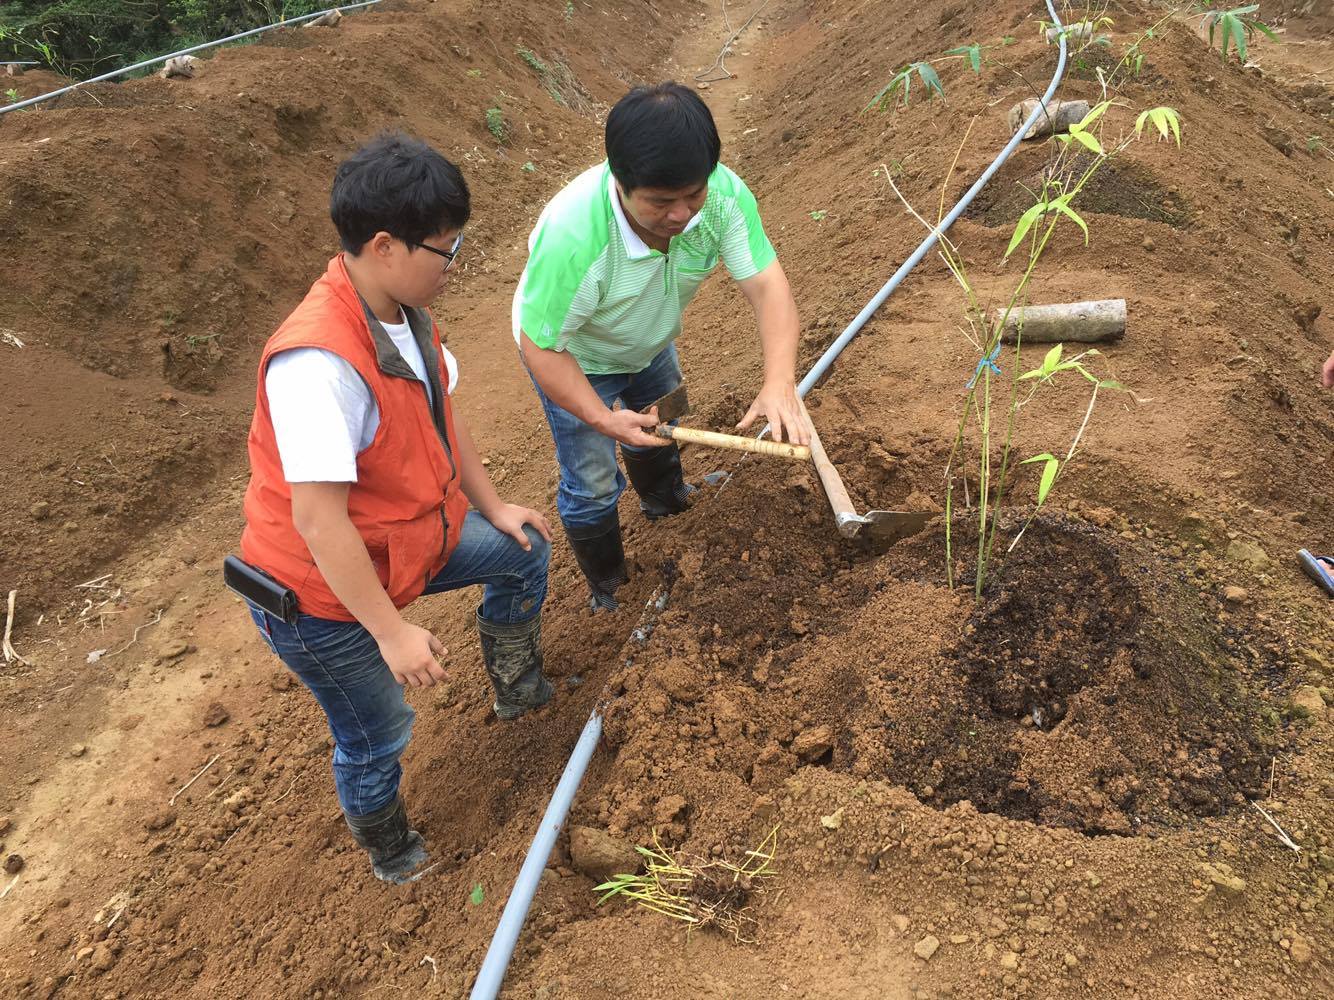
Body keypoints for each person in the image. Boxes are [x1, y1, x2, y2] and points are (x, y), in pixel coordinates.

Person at [235, 133, 553, 884]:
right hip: (321, 598)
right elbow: (318, 522)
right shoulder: (318, 364)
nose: (453, 263)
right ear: (384, 246)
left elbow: (446, 413)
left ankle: (519, 692)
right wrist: (392, 633)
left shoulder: (405, 313)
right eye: (445, 249)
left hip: (402, 544)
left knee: (523, 553)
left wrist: (495, 505)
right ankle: (392, 852)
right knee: (378, 729)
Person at [514, 81, 810, 610]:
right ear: (620, 183)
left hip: (648, 339)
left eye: (692, 195)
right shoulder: (574, 237)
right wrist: (602, 418)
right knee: (593, 481)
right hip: (575, 356)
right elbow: (540, 347)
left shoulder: (722, 198)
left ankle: (666, 502)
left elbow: (768, 285)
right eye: (661, 202)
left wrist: (779, 381)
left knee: (664, 420)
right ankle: (607, 584)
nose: (682, 215)